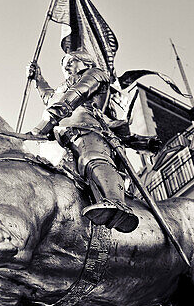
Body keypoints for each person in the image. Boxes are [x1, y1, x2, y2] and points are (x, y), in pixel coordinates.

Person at [27, 37, 140, 233]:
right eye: (63, 64)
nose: (66, 66)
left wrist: (42, 126)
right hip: (61, 138)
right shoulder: (62, 89)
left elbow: (73, 97)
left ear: (85, 62)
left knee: (91, 158)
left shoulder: (95, 75)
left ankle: (117, 204)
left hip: (88, 130)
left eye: (70, 61)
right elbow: (50, 96)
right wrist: (38, 78)